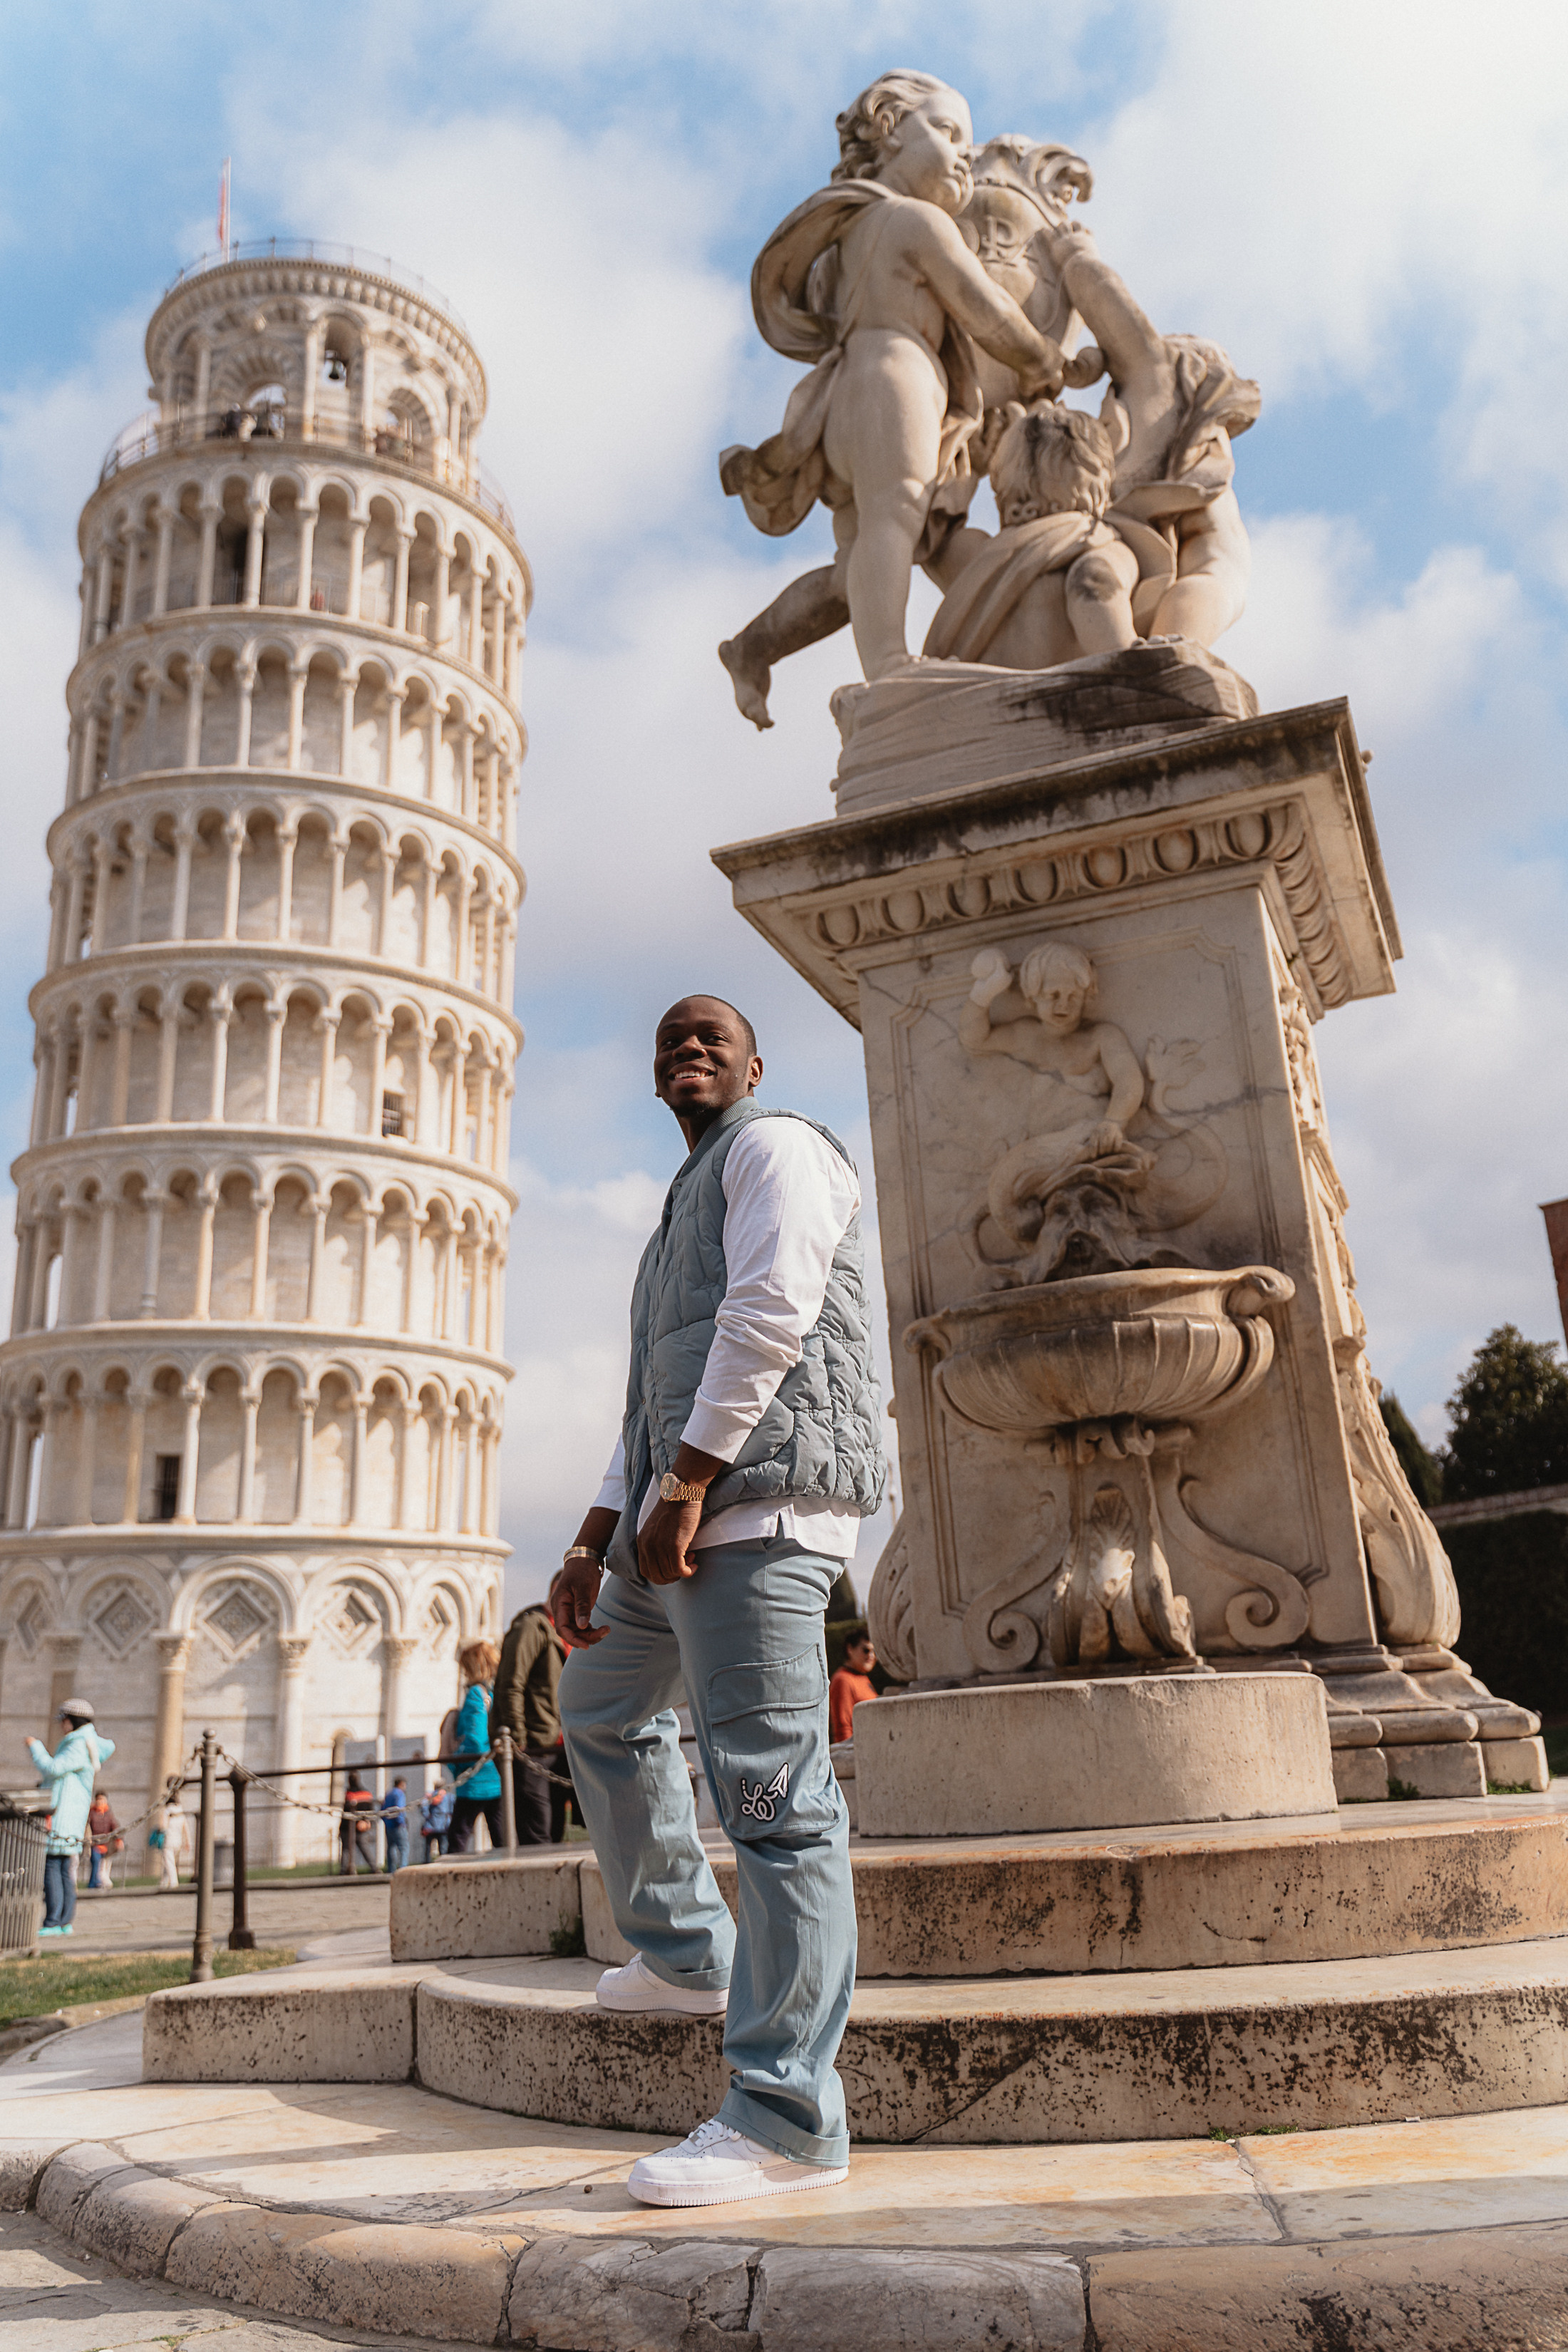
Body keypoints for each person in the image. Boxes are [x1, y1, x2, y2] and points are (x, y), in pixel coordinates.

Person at [555, 994, 885, 2209]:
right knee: (597, 1704)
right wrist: (597, 1534)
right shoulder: (675, 1213)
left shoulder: (776, 1147)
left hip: (756, 1513)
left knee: (775, 1805)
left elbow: (770, 1314)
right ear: (655, 1081)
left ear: (752, 1064)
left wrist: (687, 1484)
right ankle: (689, 1952)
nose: (689, 1050)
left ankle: (787, 2117)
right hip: (674, 1517)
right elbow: (653, 1396)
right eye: (669, 1043)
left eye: (712, 1038)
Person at [719, 71, 1066, 707]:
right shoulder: (914, 221)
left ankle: (754, 647)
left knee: (858, 566)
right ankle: (890, 665)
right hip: (896, 380)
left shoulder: (846, 236)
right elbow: (985, 310)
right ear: (888, 131)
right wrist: (1043, 357)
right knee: (896, 517)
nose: (963, 152)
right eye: (946, 131)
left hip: (848, 395)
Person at [26, 1699, 116, 1937]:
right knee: (66, 1870)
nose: (61, 1726)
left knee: (54, 1868)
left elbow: (54, 1769)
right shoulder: (85, 1744)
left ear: (71, 1720)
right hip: (71, 1816)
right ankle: (64, 1921)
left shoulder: (78, 1744)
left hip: (61, 1817)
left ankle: (54, 1921)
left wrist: (35, 1747)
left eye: (64, 1721)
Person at [493, 1574, 569, 1845]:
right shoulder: (532, 1627)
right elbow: (511, 1684)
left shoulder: (565, 1631)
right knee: (538, 1830)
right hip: (535, 1745)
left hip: (562, 1746)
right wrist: (518, 1738)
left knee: (557, 1827)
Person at [447, 1639, 504, 1852]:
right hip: (496, 1776)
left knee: (458, 1835)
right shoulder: (494, 1692)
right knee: (501, 1836)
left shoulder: (475, 1695)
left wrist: (457, 1761)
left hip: (476, 1778)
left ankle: (453, 1881)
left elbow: (475, 1738)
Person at [829, 1632, 878, 1745]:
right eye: (866, 1650)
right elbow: (843, 1727)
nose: (871, 1656)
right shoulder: (843, 1680)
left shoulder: (863, 1678)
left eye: (874, 1652)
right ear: (850, 1649)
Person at [339, 1772, 376, 1874]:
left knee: (346, 1849)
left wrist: (340, 1829)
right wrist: (368, 1823)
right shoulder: (367, 1794)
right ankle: (374, 1867)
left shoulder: (349, 1795)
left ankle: (344, 1870)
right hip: (362, 1826)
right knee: (365, 1848)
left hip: (348, 1828)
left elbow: (345, 1814)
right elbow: (370, 1810)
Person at [85, 1790, 122, 1890]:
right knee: (96, 1863)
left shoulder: (109, 1814)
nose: (100, 1802)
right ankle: (93, 1884)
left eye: (102, 1799)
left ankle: (101, 1883)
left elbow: (115, 1827)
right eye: (98, 1799)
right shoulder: (92, 1813)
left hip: (106, 1845)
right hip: (95, 1844)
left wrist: (119, 1840)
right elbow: (87, 1825)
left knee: (104, 1865)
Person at [153, 1797, 191, 1889]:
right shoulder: (181, 1814)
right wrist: (188, 1842)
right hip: (178, 1842)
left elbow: (163, 1827)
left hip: (168, 1841)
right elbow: (186, 1829)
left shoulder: (166, 1812)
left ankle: (174, 1883)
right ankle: (164, 1883)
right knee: (169, 1862)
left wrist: (157, 1830)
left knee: (169, 1863)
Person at [380, 1776, 410, 1873]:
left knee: (391, 1848)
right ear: (401, 1784)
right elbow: (399, 1809)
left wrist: (386, 1821)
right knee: (404, 1847)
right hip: (398, 1825)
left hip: (389, 1825)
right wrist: (402, 1822)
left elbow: (383, 1809)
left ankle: (391, 1869)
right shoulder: (400, 1794)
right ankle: (403, 1868)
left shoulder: (388, 1794)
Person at [419, 1782, 454, 1862]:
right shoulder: (449, 1796)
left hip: (430, 1825)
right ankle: (443, 1864)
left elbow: (423, 1808)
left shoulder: (431, 1796)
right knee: (443, 1847)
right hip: (444, 1825)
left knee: (428, 1848)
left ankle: (427, 1864)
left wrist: (428, 1816)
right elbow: (452, 1810)